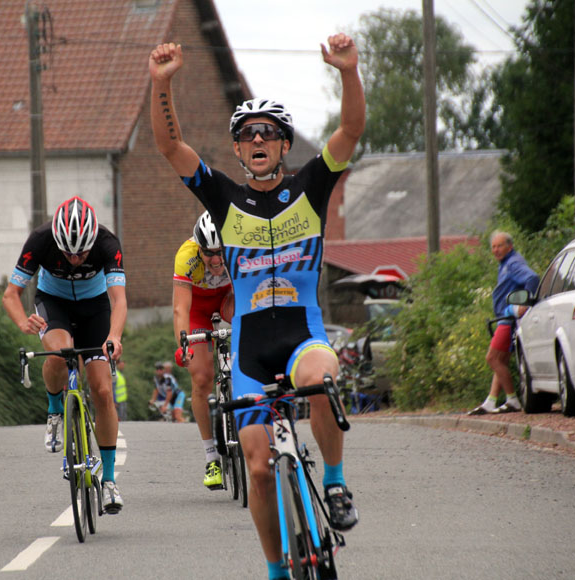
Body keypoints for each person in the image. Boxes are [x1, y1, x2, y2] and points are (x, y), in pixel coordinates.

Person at [149, 32, 364, 578]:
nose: (258, 139)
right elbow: (172, 149)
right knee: (259, 467)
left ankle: (334, 483)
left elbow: (351, 130)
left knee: (319, 379)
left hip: (302, 335)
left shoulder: (311, 187)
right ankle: (274, 569)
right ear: (240, 150)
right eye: (247, 135)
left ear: (284, 144)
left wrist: (347, 71)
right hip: (248, 351)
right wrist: (161, 86)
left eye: (268, 132)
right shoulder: (222, 198)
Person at [2, 196, 126, 514]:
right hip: (53, 303)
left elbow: (119, 299)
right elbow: (11, 294)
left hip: (95, 308)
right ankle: (56, 409)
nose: (74, 258)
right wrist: (22, 321)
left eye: (82, 252)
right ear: (57, 240)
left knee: (101, 390)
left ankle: (109, 481)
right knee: (58, 354)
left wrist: (113, 335)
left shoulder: (107, 242)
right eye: (68, 252)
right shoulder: (41, 240)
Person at [172, 211, 233, 489]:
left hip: (228, 300)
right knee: (201, 378)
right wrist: (183, 345)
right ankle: (211, 457)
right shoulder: (187, 257)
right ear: (199, 247)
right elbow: (180, 309)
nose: (217, 259)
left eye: (220, 251)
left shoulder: (239, 249)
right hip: (197, 309)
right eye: (209, 253)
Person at [468, 231, 539, 415]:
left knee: (492, 358)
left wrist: (525, 302)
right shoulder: (505, 263)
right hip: (504, 317)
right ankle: (491, 401)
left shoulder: (513, 263)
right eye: (493, 246)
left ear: (510, 246)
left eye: (500, 246)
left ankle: (512, 399)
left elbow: (532, 278)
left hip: (508, 319)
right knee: (501, 361)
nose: (496, 250)